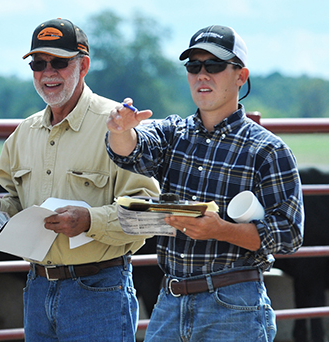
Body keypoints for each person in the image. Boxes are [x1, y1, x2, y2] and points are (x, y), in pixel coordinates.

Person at [106, 25, 304, 341]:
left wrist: (221, 230)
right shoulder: (172, 133)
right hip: (170, 300)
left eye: (213, 66)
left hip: (235, 305)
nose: (202, 75)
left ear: (241, 76)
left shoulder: (268, 149)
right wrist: (120, 130)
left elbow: (290, 234)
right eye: (194, 66)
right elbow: (132, 154)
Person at [0, 18, 159, 341]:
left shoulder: (118, 126)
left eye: (59, 62)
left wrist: (89, 220)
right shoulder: (22, 135)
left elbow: (149, 214)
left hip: (99, 290)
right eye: (38, 63)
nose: (47, 72)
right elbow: (17, 203)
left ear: (83, 65)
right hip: (37, 288)